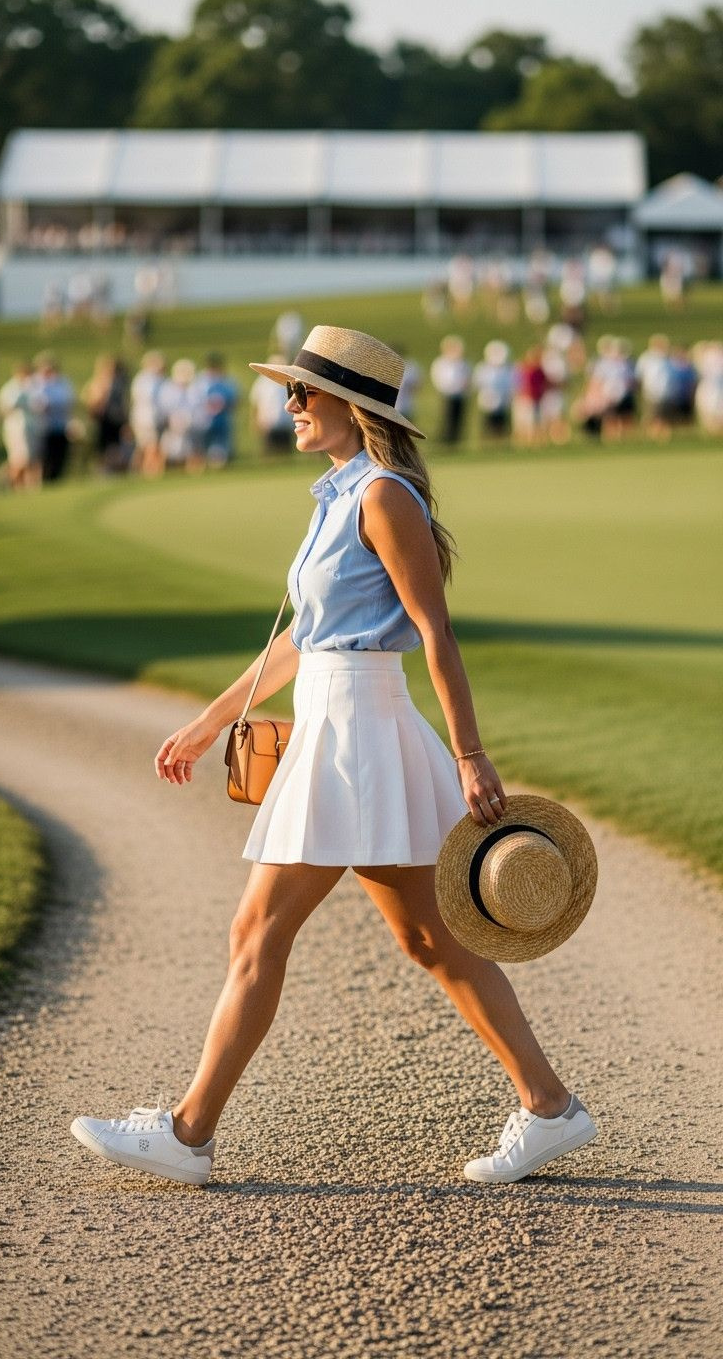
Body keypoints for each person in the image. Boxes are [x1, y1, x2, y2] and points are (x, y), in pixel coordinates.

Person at [71, 325, 597, 1189]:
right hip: (337, 723)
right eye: (289, 391)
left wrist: (470, 754)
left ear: (351, 406)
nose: (289, 407)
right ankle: (551, 1108)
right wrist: (211, 720)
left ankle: (188, 1134)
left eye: (303, 393)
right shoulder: (336, 495)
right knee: (433, 940)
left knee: (259, 931)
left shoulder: (383, 496)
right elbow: (302, 644)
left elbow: (436, 634)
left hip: (361, 731)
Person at [0, 360, 42, 490]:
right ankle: (13, 483)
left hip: (31, 428)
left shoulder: (32, 388)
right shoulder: (11, 389)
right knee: (19, 459)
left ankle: (24, 484)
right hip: (16, 430)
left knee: (29, 459)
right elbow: (4, 408)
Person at [81, 355, 130, 474]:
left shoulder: (119, 382)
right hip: (103, 418)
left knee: (114, 444)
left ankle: (113, 468)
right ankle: (104, 469)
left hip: (116, 418)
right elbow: (91, 399)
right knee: (104, 445)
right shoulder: (99, 382)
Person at [31, 353, 75, 484]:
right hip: (43, 427)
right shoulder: (36, 383)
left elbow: (68, 401)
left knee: (59, 456)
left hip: (60, 425)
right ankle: (43, 481)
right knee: (45, 457)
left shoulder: (63, 382)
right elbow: (37, 403)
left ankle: (56, 480)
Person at [430, 335, 471, 446]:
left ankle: (456, 440)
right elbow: (438, 378)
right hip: (447, 395)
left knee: (458, 419)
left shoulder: (463, 364)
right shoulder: (441, 363)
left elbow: (468, 378)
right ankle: (446, 440)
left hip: (460, 395)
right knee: (447, 418)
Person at [249, 355, 294, 456]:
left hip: (286, 423)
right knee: (271, 452)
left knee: (285, 452)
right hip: (268, 423)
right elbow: (256, 402)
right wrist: (255, 421)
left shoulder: (288, 380)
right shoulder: (263, 382)